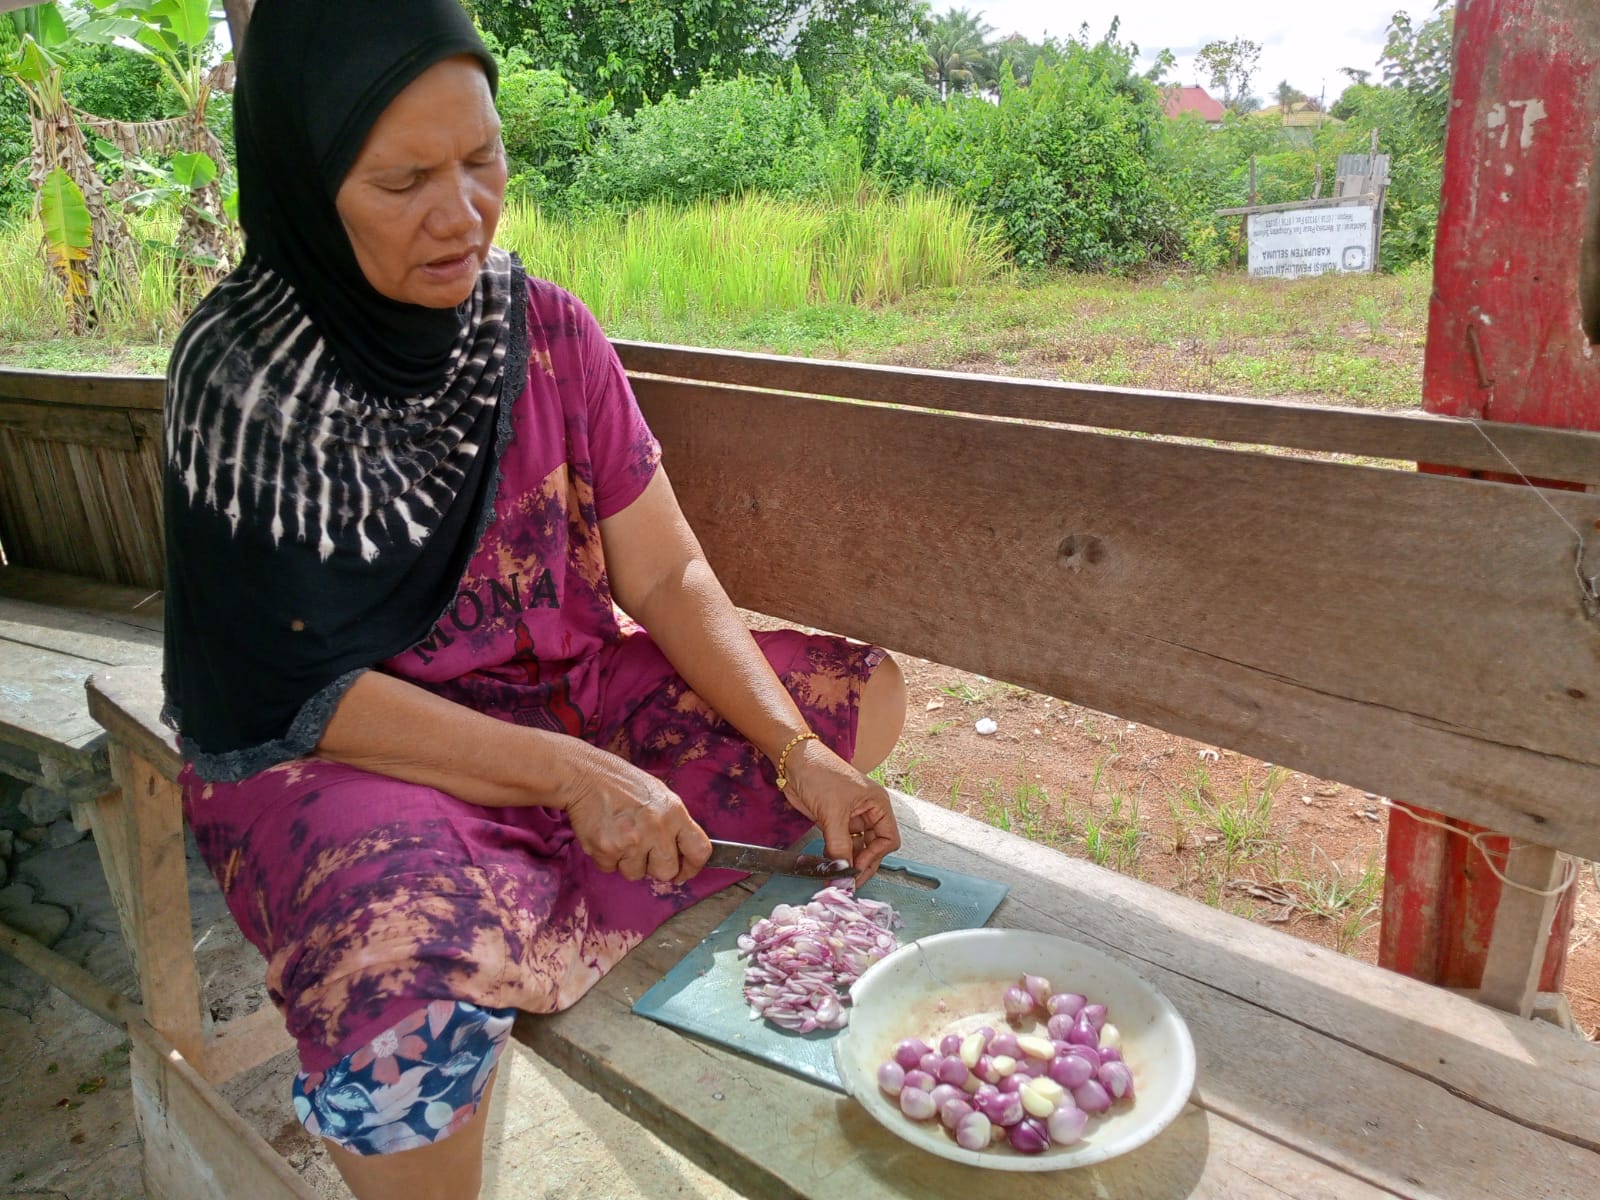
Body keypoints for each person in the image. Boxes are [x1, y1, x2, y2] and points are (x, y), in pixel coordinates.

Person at [159, 3, 906, 1196]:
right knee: (390, 970)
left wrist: (791, 747)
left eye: (481, 159)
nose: (462, 214)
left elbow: (665, 576)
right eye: (404, 180)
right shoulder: (245, 378)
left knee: (847, 705)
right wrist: (570, 779)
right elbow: (286, 688)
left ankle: (534, 898)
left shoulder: (543, 328)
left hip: (565, 704)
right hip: (360, 757)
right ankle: (509, 912)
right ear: (305, 183)